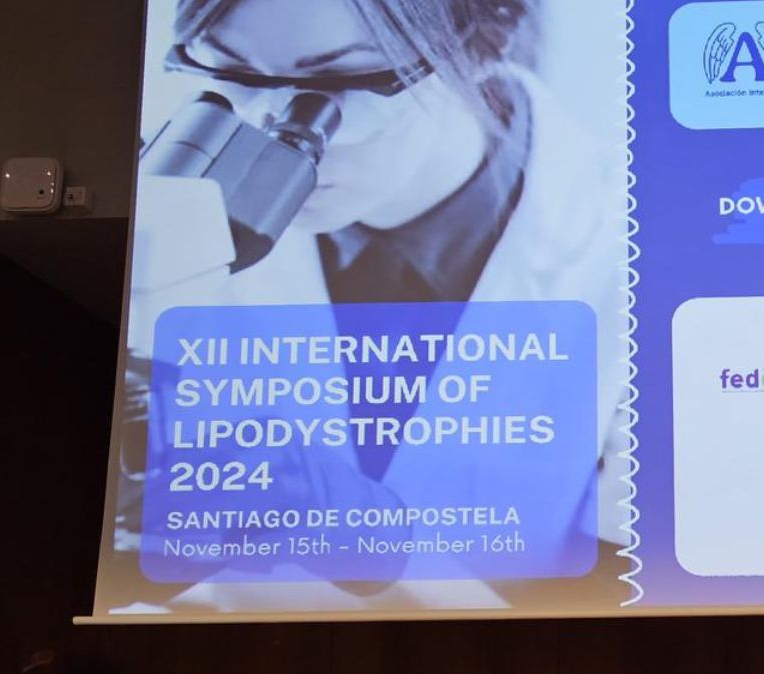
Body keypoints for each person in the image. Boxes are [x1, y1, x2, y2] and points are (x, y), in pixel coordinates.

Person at [108, 0, 632, 616]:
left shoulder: (632, 256)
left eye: (338, 80)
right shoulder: (165, 212)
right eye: (234, 71)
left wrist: (369, 540)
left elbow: (625, 612)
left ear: (483, 44)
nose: (270, 131)